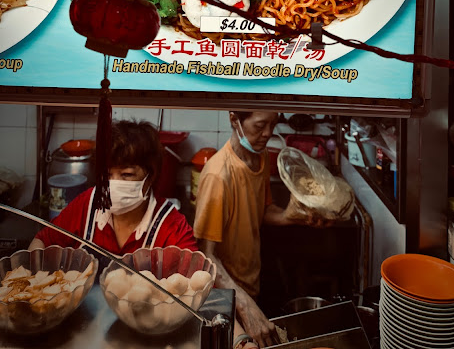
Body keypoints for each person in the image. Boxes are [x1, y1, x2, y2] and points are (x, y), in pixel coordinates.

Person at [194, 111, 317, 349]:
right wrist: (244, 305)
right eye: (260, 125)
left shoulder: (259, 159)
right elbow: (205, 255)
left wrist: (293, 217)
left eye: (273, 124)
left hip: (252, 284)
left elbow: (261, 211)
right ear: (234, 120)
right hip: (228, 297)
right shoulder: (218, 176)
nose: (269, 133)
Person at [29, 120, 197, 258]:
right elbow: (43, 241)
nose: (113, 184)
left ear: (150, 176)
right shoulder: (88, 204)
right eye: (107, 175)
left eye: (127, 174)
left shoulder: (172, 227)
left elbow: (195, 280)